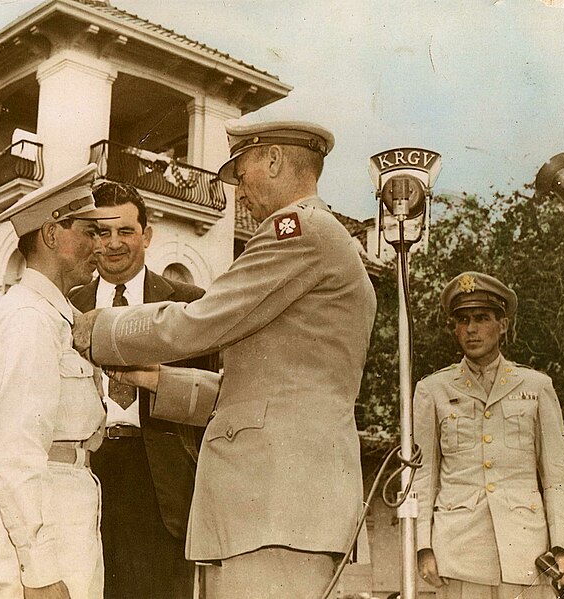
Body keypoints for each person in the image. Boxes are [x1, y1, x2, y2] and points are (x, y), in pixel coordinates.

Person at [73, 120, 377, 598]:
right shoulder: (319, 237)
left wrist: (102, 329)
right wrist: (157, 381)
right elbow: (254, 390)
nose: (238, 191)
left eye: (242, 171)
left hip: (275, 504)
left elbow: (200, 321)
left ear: (274, 160)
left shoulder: (294, 230)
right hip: (276, 504)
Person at [0, 164, 112, 599]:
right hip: (32, 527)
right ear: (51, 234)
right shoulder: (28, 320)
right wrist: (39, 569)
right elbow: (16, 452)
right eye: (89, 232)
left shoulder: (50, 313)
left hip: (55, 509)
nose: (98, 246)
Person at [69, 181, 215, 599]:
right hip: (85, 470)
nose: (113, 244)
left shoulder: (188, 304)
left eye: (125, 231)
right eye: (100, 232)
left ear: (147, 235)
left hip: (161, 482)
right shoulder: (65, 305)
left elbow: (206, 402)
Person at [413, 271, 564, 599]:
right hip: (459, 554)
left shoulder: (536, 387)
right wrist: (422, 546)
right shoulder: (433, 391)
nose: (471, 329)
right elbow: (422, 477)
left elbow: (556, 477)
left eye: (481, 318)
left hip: (527, 552)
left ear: (503, 325)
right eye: (462, 320)